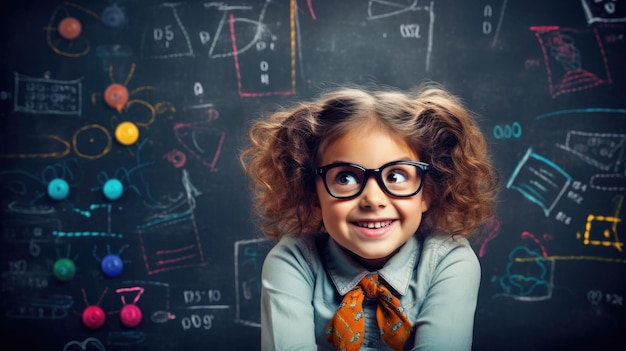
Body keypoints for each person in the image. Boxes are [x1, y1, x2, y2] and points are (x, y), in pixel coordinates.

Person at [240, 83, 498, 351]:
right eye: (346, 177)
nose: (373, 199)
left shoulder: (449, 260)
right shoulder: (293, 262)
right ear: (314, 197)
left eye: (396, 176)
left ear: (427, 192)